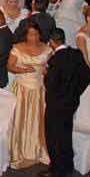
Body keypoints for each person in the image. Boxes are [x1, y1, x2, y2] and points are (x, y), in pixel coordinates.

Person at [43, 27, 90, 177]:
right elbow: (87, 74)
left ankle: (56, 168)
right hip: (71, 102)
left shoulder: (55, 60)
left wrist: (46, 75)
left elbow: (51, 84)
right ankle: (67, 165)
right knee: (66, 133)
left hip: (56, 104)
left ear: (52, 42)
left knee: (53, 136)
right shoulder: (76, 54)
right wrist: (76, 92)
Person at [8, 23, 52, 169]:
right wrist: (22, 70)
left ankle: (37, 150)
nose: (33, 37)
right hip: (22, 89)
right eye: (30, 34)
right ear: (25, 35)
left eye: (36, 34)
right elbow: (10, 66)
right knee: (20, 120)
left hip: (39, 89)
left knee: (37, 121)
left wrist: (45, 71)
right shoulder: (17, 48)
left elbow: (51, 67)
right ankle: (18, 151)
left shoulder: (46, 49)